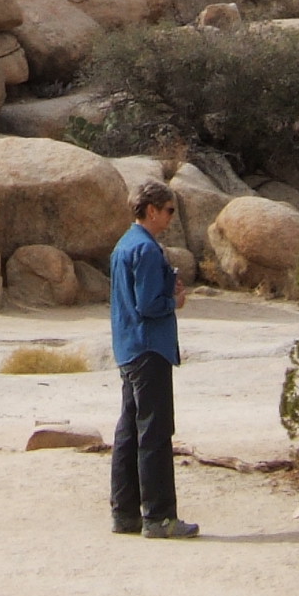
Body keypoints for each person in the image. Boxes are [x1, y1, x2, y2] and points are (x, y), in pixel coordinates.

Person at [108, 181, 195, 539]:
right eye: (169, 210)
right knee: (155, 433)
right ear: (152, 210)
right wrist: (173, 302)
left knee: (129, 431)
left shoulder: (124, 245)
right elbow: (147, 305)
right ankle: (159, 517)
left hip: (128, 347)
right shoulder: (144, 248)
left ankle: (125, 513)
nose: (172, 218)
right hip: (148, 349)